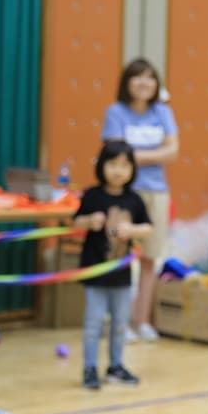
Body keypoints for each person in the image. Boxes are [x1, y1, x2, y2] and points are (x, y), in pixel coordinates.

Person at [102, 58, 179, 342]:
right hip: (122, 192)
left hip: (157, 193)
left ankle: (142, 320)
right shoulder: (115, 111)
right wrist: (152, 153)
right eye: (137, 77)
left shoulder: (163, 112)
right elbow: (113, 152)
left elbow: (172, 152)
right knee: (116, 255)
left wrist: (131, 155)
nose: (144, 83)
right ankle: (115, 323)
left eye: (150, 78)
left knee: (150, 258)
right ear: (127, 82)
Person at [71, 141, 152, 390]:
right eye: (112, 164)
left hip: (121, 274)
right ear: (101, 165)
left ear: (132, 170)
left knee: (120, 324)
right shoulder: (92, 195)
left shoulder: (135, 200)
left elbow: (148, 228)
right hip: (96, 272)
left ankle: (116, 366)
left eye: (124, 165)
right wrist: (89, 221)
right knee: (94, 324)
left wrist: (131, 230)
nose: (118, 170)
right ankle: (90, 368)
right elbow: (75, 223)